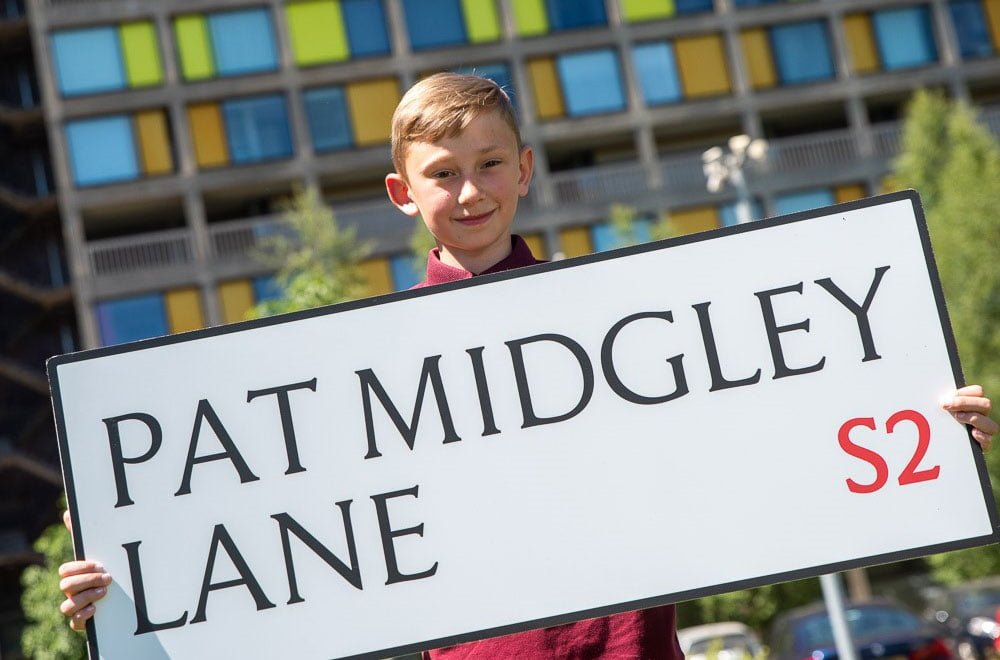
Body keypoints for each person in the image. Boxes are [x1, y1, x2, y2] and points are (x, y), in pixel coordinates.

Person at [57, 73, 998, 658]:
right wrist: (133, 560)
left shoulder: (630, 320)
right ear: (401, 193)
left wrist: (920, 420)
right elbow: (268, 519)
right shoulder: (352, 372)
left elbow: (759, 428)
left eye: (490, 164)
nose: (470, 190)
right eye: (443, 172)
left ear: (524, 170)